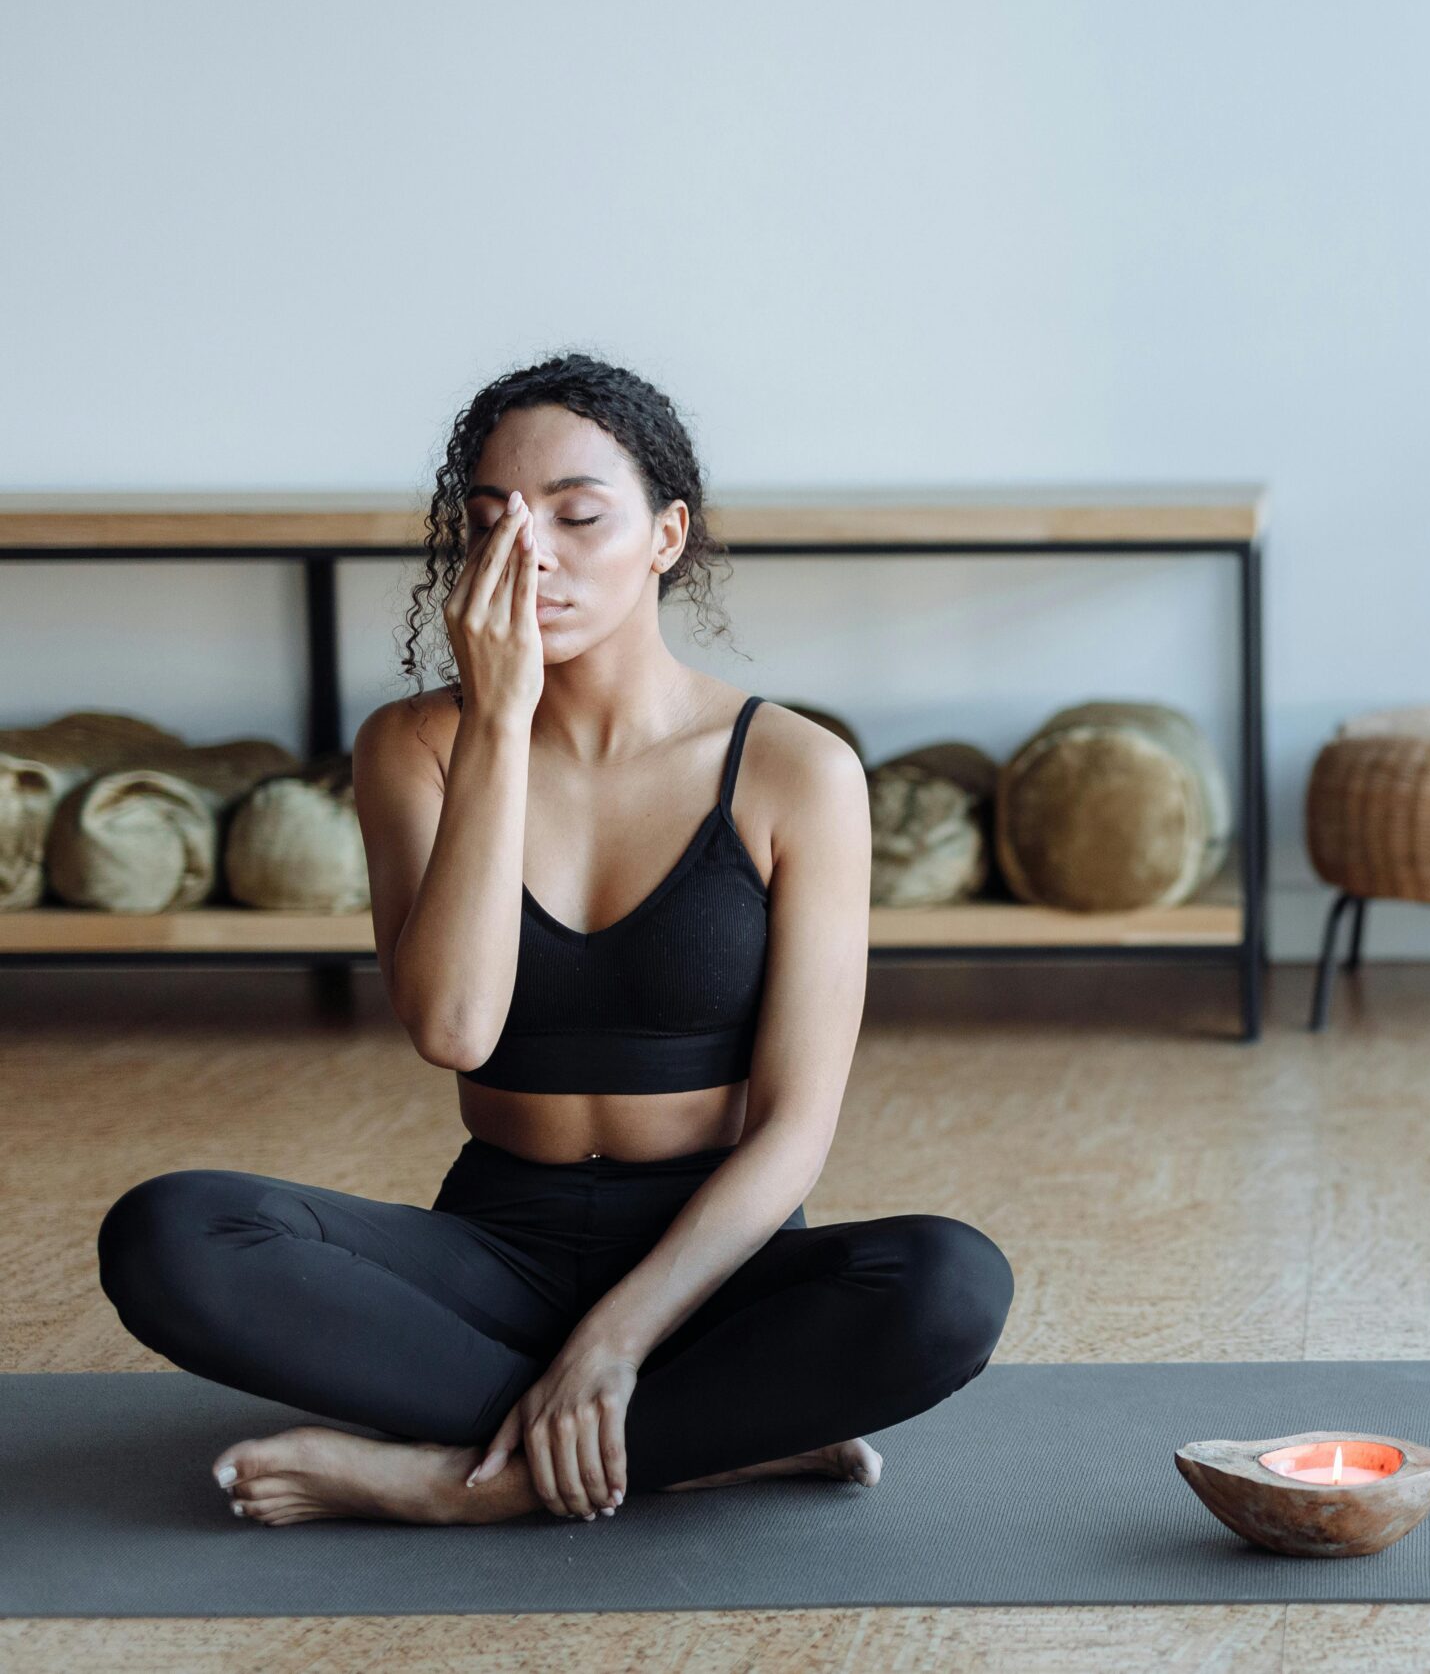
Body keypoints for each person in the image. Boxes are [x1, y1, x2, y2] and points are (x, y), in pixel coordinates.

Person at [94, 353, 1012, 1527]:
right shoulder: (413, 746)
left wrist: (618, 1340)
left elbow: (793, 1132)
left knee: (948, 1286)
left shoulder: (796, 771)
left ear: (667, 534)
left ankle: (463, 1482)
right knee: (169, 1233)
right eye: (494, 525)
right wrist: (502, 721)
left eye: (580, 517)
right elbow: (456, 1027)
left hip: (709, 1265)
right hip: (499, 1245)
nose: (533, 557)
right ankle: (707, 1443)